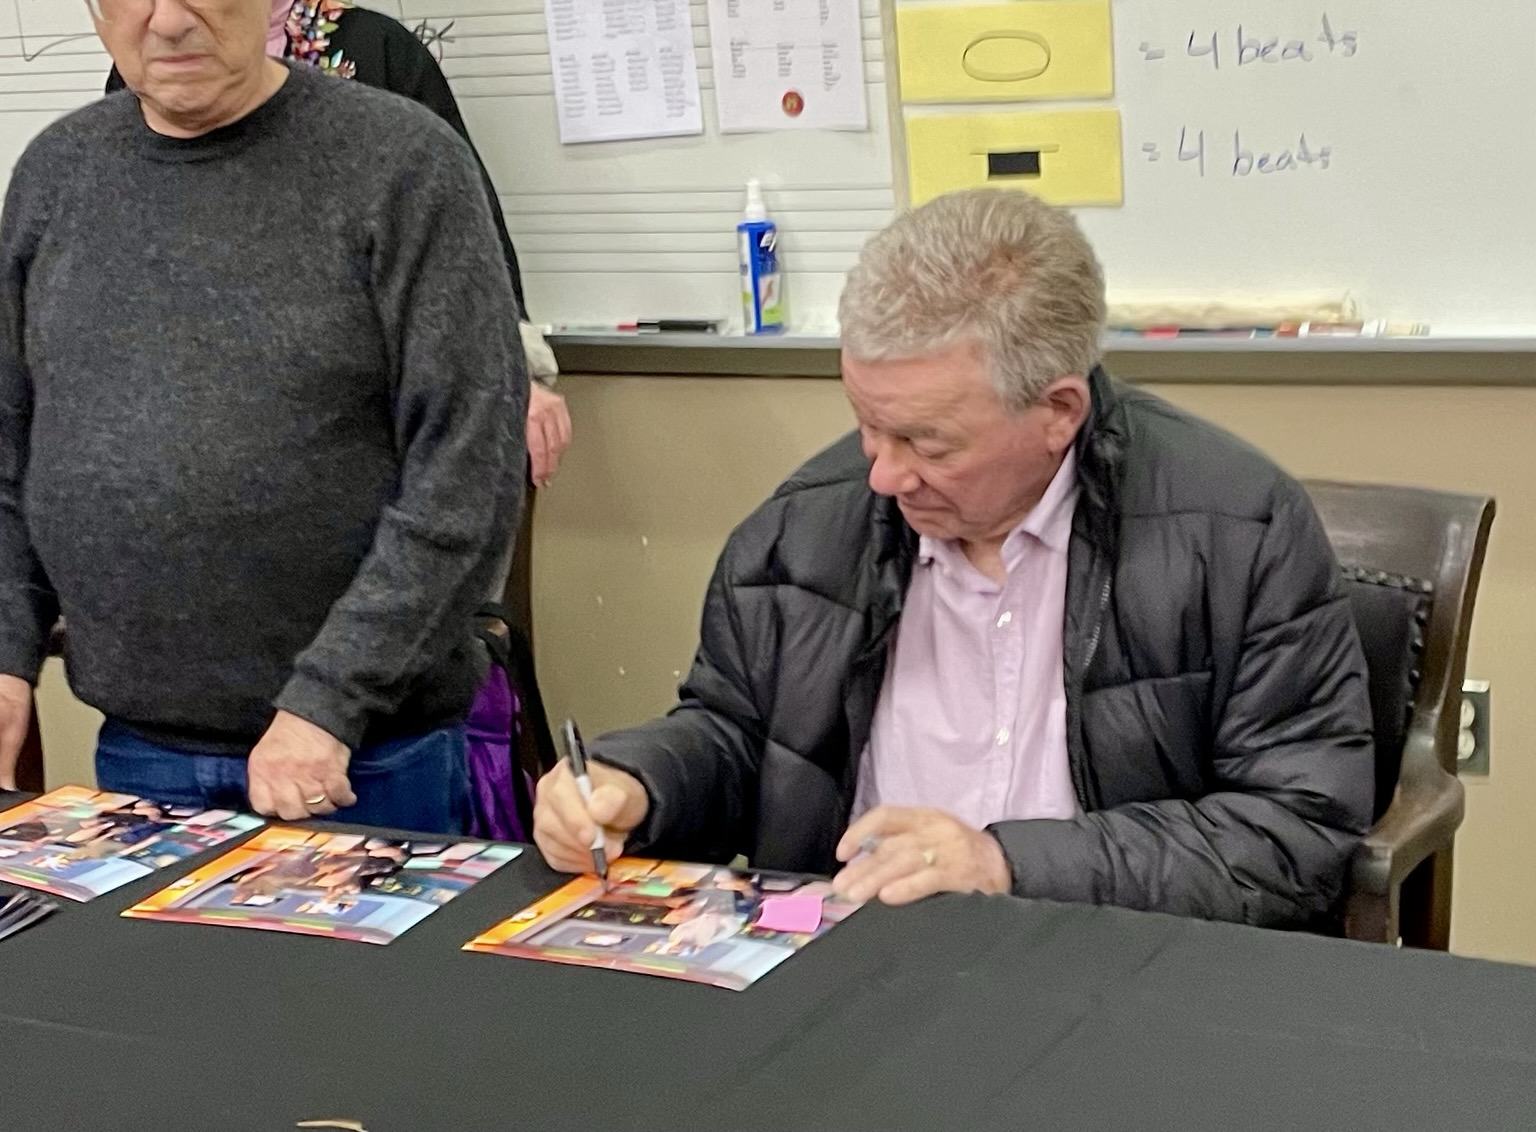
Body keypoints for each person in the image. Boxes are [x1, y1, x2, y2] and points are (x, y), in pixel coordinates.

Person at [533, 189, 1376, 930]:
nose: (882, 473)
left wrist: (1007, 865)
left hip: (1113, 963)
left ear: (1058, 411)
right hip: (856, 953)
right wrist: (637, 785)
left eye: (924, 441)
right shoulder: (804, 526)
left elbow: (1292, 832)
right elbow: (740, 734)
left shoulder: (1238, 530)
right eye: (866, 422)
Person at [0, 0, 528, 834]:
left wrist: (330, 700)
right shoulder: (55, 177)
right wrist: (6, 650)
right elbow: (9, 443)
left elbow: (469, 469)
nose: (167, 21)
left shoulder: (402, 165)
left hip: (361, 758)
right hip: (139, 753)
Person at [106, 0, 572, 639]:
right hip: (212, 432)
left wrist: (514, 373)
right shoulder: (157, 63)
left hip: (371, 418)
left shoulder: (377, 49)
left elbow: (470, 242)